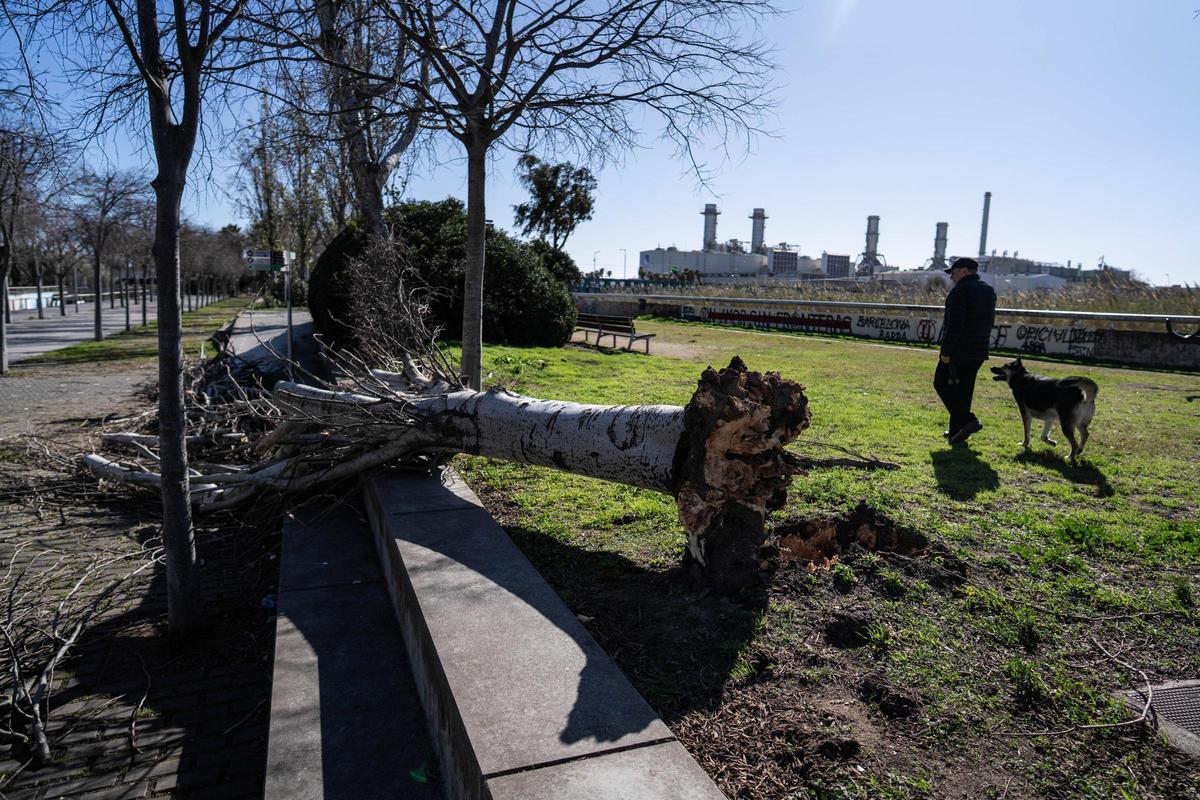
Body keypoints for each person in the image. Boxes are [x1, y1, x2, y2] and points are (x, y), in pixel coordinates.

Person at [935, 257, 997, 444]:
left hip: (959, 350)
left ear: (963, 271)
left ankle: (967, 421)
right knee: (964, 390)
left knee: (942, 384)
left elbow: (955, 325)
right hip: (978, 349)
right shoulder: (988, 291)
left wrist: (946, 352)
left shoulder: (960, 292)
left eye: (953, 272)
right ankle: (957, 432)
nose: (952, 277)